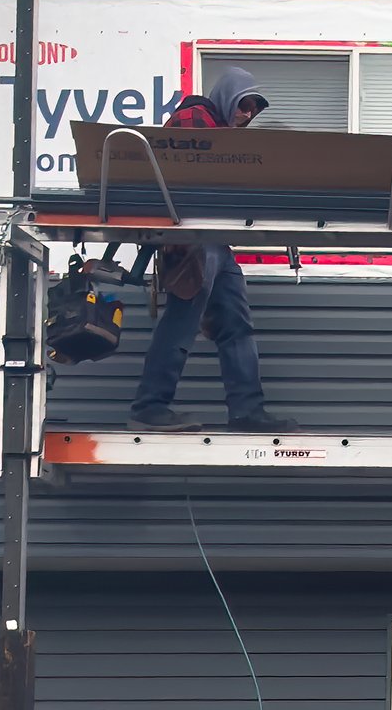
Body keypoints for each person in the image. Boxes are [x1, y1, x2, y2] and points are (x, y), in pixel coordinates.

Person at [127, 66, 300, 434]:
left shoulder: (220, 131)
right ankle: (150, 406)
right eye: (243, 105)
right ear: (227, 98)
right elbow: (203, 176)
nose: (248, 115)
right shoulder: (193, 118)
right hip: (191, 238)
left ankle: (247, 413)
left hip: (215, 240)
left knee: (236, 326)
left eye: (253, 109)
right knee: (182, 319)